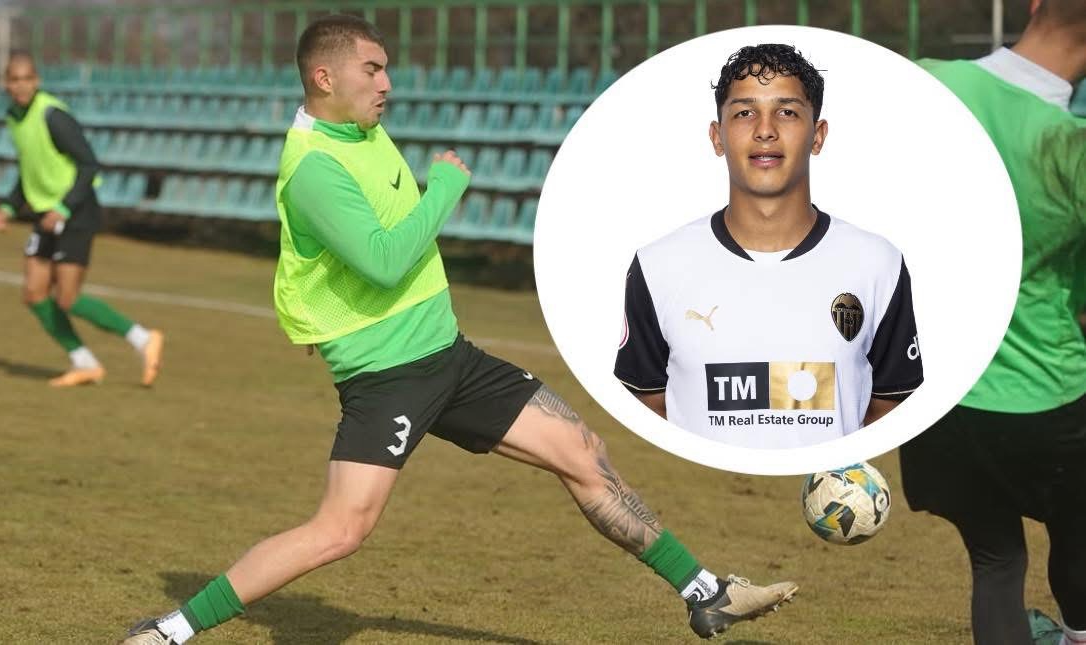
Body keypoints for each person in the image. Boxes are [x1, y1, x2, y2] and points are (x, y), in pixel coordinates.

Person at [120, 15, 796, 644]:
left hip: (451, 357)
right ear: (325, 78)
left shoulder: (358, 131)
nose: (387, 83)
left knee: (581, 451)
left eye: (386, 69)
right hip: (388, 376)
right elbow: (384, 261)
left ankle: (707, 592)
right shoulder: (314, 168)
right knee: (340, 529)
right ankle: (170, 631)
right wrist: (444, 186)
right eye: (372, 69)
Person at [614, 44, 923, 449]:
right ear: (717, 137)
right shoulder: (658, 266)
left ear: (818, 136)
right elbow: (648, 403)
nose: (765, 130)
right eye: (745, 113)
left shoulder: (877, 263)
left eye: (787, 112)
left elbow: (889, 404)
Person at [898, 1, 1086, 643]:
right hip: (1046, 397)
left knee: (997, 561)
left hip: (941, 400)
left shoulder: (927, 85)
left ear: (1033, 3)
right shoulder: (1070, 147)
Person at [0, 52, 164, 387]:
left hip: (76, 211)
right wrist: (8, 207)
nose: (21, 86)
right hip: (46, 215)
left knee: (68, 298)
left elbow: (89, 164)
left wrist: (64, 208)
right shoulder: (13, 117)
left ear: (37, 81)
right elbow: (31, 169)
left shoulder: (52, 115)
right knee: (34, 293)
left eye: (27, 79)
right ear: (6, 84)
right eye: (14, 80)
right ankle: (85, 363)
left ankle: (143, 338)